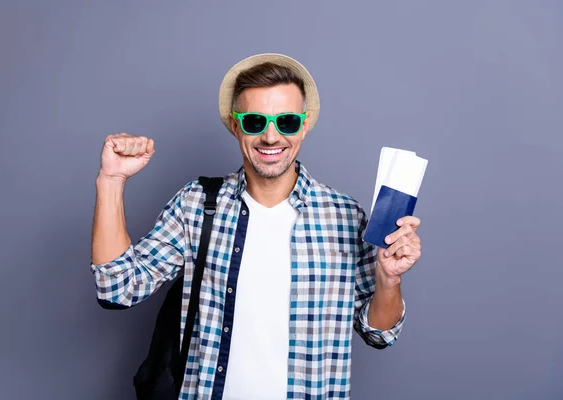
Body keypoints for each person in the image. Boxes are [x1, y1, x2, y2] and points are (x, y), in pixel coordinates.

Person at [90, 53, 422, 400]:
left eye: (287, 122)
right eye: (254, 122)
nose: (270, 136)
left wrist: (389, 280)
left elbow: (379, 333)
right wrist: (111, 179)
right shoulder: (197, 205)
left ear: (304, 125)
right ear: (236, 126)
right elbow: (117, 286)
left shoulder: (345, 217)